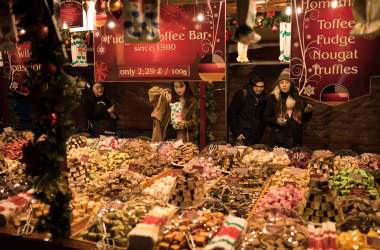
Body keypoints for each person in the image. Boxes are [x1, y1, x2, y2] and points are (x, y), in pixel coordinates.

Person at [264, 74, 313, 148]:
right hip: (278, 138)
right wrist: (276, 121)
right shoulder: (273, 98)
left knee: (294, 158)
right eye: (282, 83)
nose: (284, 85)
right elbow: (266, 118)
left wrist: (307, 112)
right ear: (278, 85)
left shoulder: (299, 98)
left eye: (287, 82)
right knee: (280, 159)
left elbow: (305, 119)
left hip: (295, 137)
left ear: (291, 84)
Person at [228, 75, 266, 145]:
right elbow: (232, 113)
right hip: (242, 135)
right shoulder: (242, 94)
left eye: (261, 87)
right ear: (252, 86)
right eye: (257, 86)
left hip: (255, 136)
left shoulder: (263, 97)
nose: (259, 89)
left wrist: (260, 132)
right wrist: (237, 133)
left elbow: (262, 117)